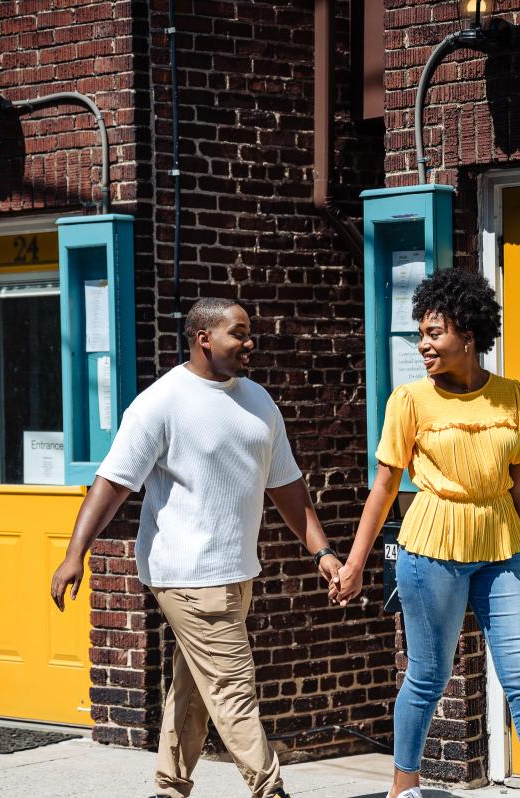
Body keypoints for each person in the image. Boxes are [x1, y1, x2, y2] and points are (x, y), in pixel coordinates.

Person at [50, 297, 342, 798]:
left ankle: (170, 787)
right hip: (185, 573)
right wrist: (76, 552)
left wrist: (322, 552)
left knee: (196, 688)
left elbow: (288, 488)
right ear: (203, 337)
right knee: (232, 686)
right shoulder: (161, 402)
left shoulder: (258, 401)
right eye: (239, 333)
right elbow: (114, 482)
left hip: (236, 571)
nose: (250, 343)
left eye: (250, 333)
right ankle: (269, 789)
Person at [333, 270, 520, 798]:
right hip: (430, 551)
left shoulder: (513, 397)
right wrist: (353, 563)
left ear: (468, 333)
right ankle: (404, 786)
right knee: (429, 676)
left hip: (503, 549)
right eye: (420, 333)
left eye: (434, 333)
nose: (423, 345)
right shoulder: (410, 400)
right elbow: (385, 486)